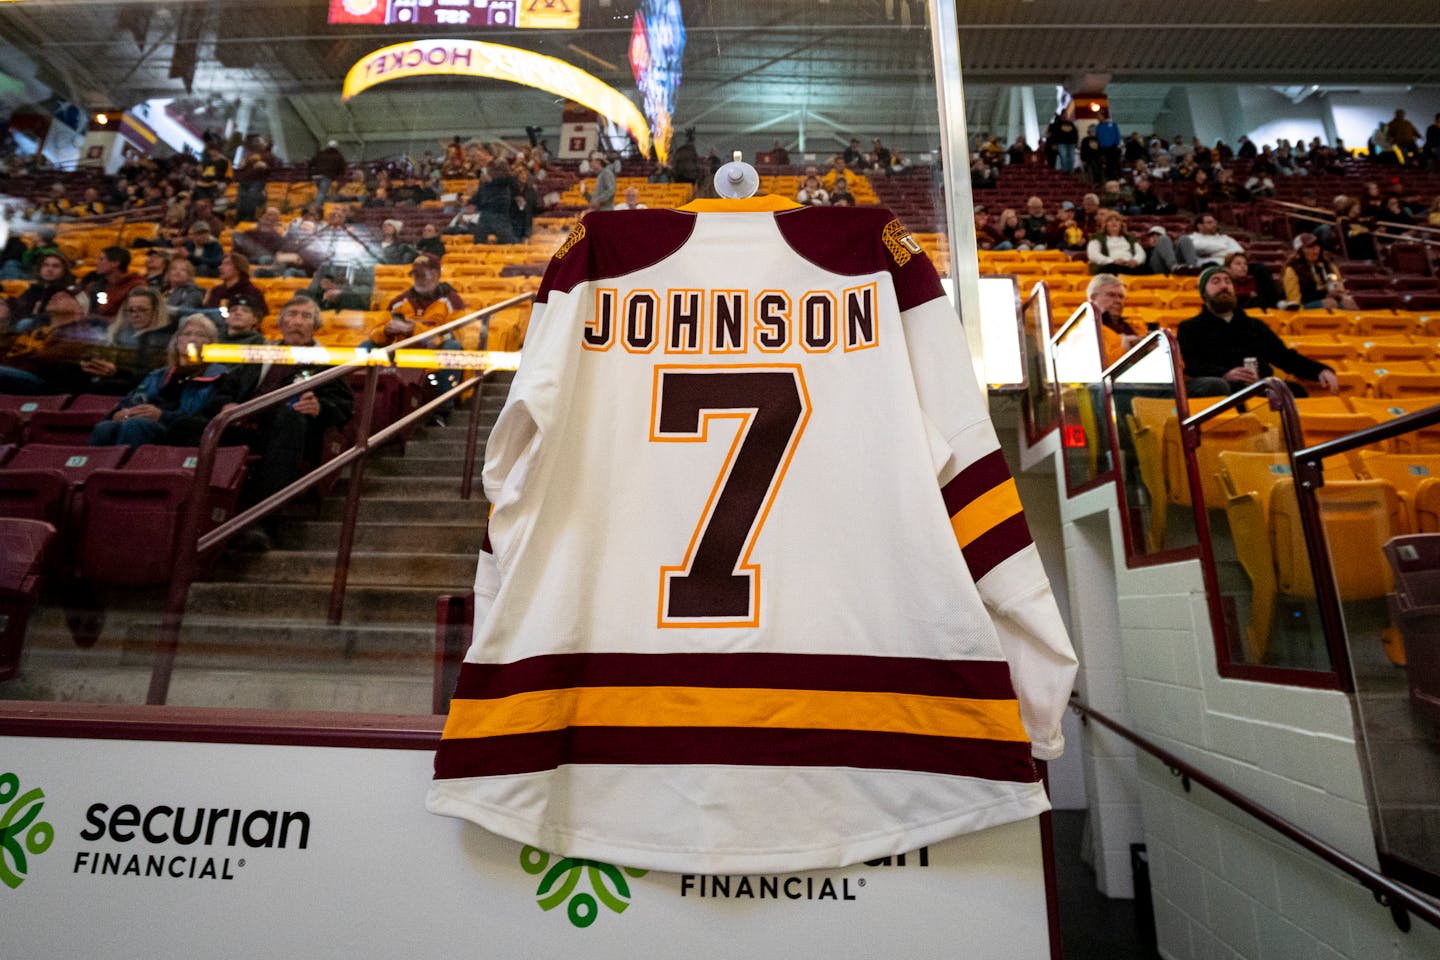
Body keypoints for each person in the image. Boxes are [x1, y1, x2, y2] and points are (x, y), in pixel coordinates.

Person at [223, 295, 354, 552]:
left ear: (315, 326)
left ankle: (262, 522)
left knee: (290, 416)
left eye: (306, 317)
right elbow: (227, 386)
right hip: (245, 424)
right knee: (187, 424)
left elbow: (344, 406)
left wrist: (320, 408)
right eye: (292, 315)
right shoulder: (262, 354)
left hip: (289, 431)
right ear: (280, 323)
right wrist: (227, 404)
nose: (297, 322)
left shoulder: (327, 362)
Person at [1178, 267, 1339, 397]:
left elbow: (1284, 357)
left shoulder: (1255, 326)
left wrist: (1319, 370)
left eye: (1228, 281)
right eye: (1216, 282)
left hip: (1260, 389)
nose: (1224, 286)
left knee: (1295, 391)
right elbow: (1192, 365)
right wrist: (1225, 374)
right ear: (1203, 293)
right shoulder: (1190, 328)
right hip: (1224, 394)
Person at [89, 314, 228, 449]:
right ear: (176, 340)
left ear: (211, 344)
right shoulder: (158, 375)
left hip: (176, 433)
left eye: (201, 335)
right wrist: (120, 413)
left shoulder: (217, 376)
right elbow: (134, 399)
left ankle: (127, 471)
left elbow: (200, 419)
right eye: (186, 334)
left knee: (136, 425)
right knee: (105, 428)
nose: (192, 339)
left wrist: (162, 416)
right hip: (142, 422)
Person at [1280, 233, 1357, 311]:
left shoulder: (1328, 265)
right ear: (1300, 251)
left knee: (1350, 303)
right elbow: (1294, 302)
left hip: (1329, 300)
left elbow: (1340, 288)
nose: (1315, 250)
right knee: (1330, 303)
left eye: (1317, 246)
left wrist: (1341, 295)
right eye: (1310, 247)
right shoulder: (1292, 270)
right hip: (1304, 306)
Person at [80, 246, 144, 318]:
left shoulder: (135, 286)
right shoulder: (97, 284)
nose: (96, 263)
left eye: (101, 259)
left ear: (115, 263)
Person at [204, 253, 269, 316]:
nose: (220, 267)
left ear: (238, 268)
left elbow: (261, 315)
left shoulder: (252, 292)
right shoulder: (216, 291)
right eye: (222, 264)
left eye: (227, 264)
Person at [1178, 214, 1245, 268]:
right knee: (1212, 265)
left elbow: (1239, 252)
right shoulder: (1190, 238)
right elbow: (1200, 247)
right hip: (1205, 268)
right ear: (1200, 226)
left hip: (1227, 268)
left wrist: (1212, 253)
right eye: (1209, 223)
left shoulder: (1225, 238)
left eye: (1215, 222)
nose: (1214, 225)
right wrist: (1224, 248)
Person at [159, 256, 206, 320]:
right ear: (168, 273)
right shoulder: (162, 290)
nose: (177, 272)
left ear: (189, 276)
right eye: (174, 269)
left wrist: (160, 310)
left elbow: (184, 311)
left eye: (183, 270)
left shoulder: (194, 292)